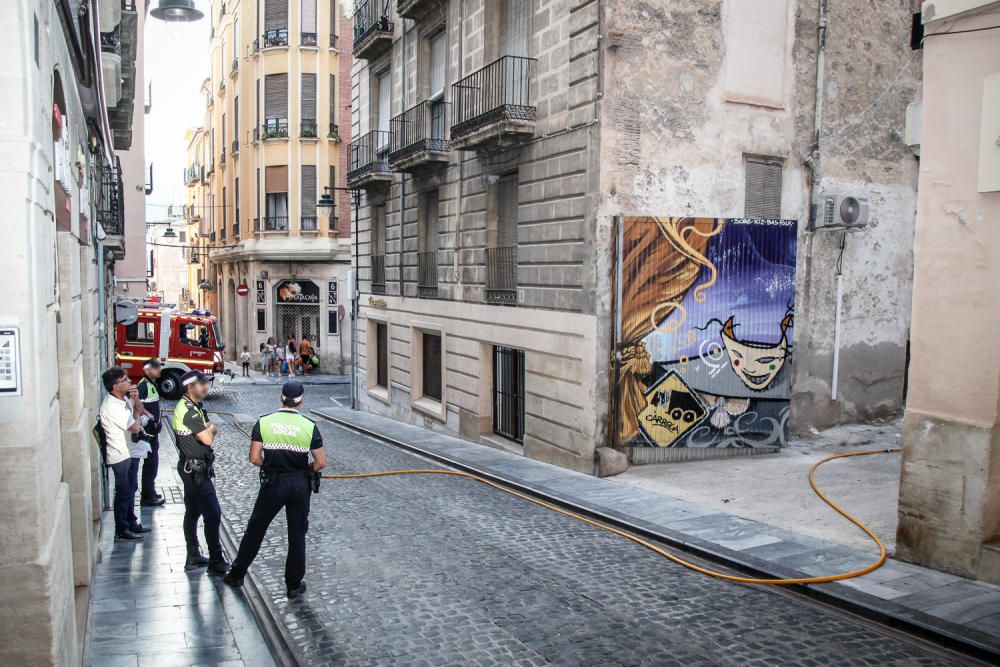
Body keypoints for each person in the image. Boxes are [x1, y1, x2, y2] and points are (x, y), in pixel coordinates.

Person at [224, 381, 325, 599]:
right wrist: (304, 469)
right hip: (299, 484)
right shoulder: (309, 426)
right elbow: (320, 463)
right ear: (301, 400)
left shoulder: (264, 422)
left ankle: (237, 573)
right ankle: (293, 585)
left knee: (256, 529)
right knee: (297, 535)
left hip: (273, 483)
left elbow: (254, 458)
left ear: (281, 398)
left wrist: (269, 465)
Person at [172, 370, 230, 576]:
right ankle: (216, 561)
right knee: (212, 514)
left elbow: (209, 430)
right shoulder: (188, 410)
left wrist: (209, 429)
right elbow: (208, 438)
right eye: (201, 384)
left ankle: (193, 555)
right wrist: (209, 429)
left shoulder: (195, 406)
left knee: (193, 512)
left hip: (194, 468)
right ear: (190, 387)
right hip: (194, 470)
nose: (205, 387)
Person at [99, 367, 152, 541]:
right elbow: (135, 427)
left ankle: (131, 522)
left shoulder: (123, 399)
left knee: (130, 489)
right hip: (120, 455)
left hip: (130, 451)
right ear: (115, 386)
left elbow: (140, 409)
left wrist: (136, 400)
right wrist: (137, 413)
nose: (130, 382)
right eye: (125, 380)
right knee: (123, 492)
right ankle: (121, 530)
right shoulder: (112, 406)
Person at [136, 359, 166, 507]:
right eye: (156, 368)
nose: (159, 370)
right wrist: (148, 419)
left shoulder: (151, 384)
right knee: (150, 465)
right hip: (148, 435)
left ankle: (150, 492)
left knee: (153, 465)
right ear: (147, 370)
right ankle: (147, 497)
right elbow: (136, 405)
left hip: (153, 433)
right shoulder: (143, 386)